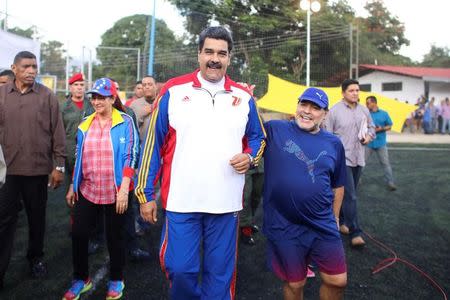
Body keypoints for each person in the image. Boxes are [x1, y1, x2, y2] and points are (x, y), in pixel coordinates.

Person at [135, 26, 266, 299]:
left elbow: (258, 137)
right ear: (198, 54)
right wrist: (145, 194)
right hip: (183, 201)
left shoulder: (243, 97)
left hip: (226, 203)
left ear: (230, 58)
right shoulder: (173, 90)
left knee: (220, 275)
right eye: (209, 51)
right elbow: (152, 146)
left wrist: (250, 157)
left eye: (221, 53)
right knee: (180, 269)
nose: (214, 59)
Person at [263, 87, 347, 300]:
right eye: (304, 104)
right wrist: (247, 98)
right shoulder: (275, 129)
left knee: (337, 281)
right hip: (284, 224)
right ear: (297, 106)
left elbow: (338, 184)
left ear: (325, 114)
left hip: (322, 222)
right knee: (295, 283)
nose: (307, 111)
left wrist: (335, 216)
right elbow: (250, 129)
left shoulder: (334, 143)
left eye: (315, 108)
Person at [63, 77, 139, 300]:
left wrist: (124, 188)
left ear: (112, 98)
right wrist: (72, 185)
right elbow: (79, 156)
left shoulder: (125, 121)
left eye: (102, 97)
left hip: (115, 191)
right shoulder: (85, 123)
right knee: (78, 234)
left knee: (115, 236)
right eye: (94, 97)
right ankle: (81, 279)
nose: (97, 101)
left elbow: (131, 155)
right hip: (87, 188)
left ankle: (116, 279)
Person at [0, 51, 66, 288]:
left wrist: (58, 166)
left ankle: (36, 258)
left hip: (38, 171)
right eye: (26, 66)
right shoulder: (1, 95)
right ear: (14, 68)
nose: (31, 70)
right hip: (7, 173)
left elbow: (57, 133)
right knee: (4, 222)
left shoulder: (47, 96)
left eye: (34, 66)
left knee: (37, 219)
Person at [324, 79, 375, 247]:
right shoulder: (334, 111)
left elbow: (372, 128)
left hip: (359, 157)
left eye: (357, 90)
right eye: (352, 90)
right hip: (342, 159)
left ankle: (344, 221)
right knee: (351, 195)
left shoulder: (364, 110)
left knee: (348, 193)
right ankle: (356, 232)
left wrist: (368, 136)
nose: (355, 93)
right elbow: (327, 135)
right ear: (343, 93)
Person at [365, 96, 397, 191]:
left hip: (381, 143)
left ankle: (390, 182)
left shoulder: (384, 113)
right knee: (361, 164)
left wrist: (381, 129)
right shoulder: (366, 114)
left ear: (374, 103)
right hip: (368, 143)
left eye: (368, 103)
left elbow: (390, 126)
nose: (367, 105)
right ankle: (356, 181)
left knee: (385, 163)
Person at [129, 75, 157, 143]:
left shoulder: (162, 102)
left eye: (150, 84)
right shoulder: (134, 105)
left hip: (159, 145)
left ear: (155, 86)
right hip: (142, 145)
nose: (147, 87)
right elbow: (129, 127)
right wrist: (141, 115)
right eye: (144, 85)